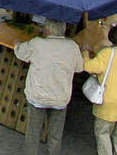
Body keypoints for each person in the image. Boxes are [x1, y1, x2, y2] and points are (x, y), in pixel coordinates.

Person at [14, 18, 84, 154]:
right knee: (55, 136)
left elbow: (20, 52)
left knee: (33, 134)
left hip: (38, 96)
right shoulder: (72, 46)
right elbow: (79, 68)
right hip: (60, 98)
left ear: (47, 28)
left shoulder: (37, 43)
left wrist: (16, 43)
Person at [83, 23, 117, 155]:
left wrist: (85, 53)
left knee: (102, 132)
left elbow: (88, 67)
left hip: (110, 101)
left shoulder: (106, 54)